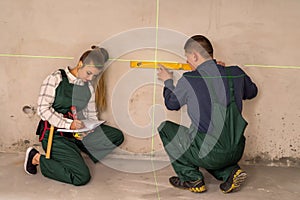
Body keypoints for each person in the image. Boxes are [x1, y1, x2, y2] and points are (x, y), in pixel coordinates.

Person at [157, 35, 258, 193]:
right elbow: (251, 92)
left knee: (166, 128)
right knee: (210, 149)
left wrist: (167, 81)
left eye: (187, 58)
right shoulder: (236, 72)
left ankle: (192, 178)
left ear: (195, 56)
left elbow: (171, 104)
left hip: (208, 153)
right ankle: (230, 172)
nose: (187, 63)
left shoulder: (190, 79)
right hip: (236, 149)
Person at [24, 46, 124, 186]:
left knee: (116, 136)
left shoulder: (88, 87)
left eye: (94, 76)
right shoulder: (55, 78)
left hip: (77, 133)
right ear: (80, 64)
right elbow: (42, 109)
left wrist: (90, 127)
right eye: (88, 73)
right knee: (81, 177)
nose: (90, 78)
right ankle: (36, 157)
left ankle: (74, 153)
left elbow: (90, 114)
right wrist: (68, 124)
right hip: (55, 134)